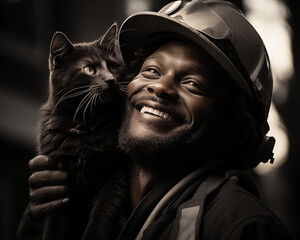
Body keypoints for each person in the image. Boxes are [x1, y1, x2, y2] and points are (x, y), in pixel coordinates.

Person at [17, 0, 295, 239]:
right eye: (150, 70)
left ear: (230, 127)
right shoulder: (98, 199)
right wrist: (39, 221)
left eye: (192, 84)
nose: (160, 87)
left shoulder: (241, 227)